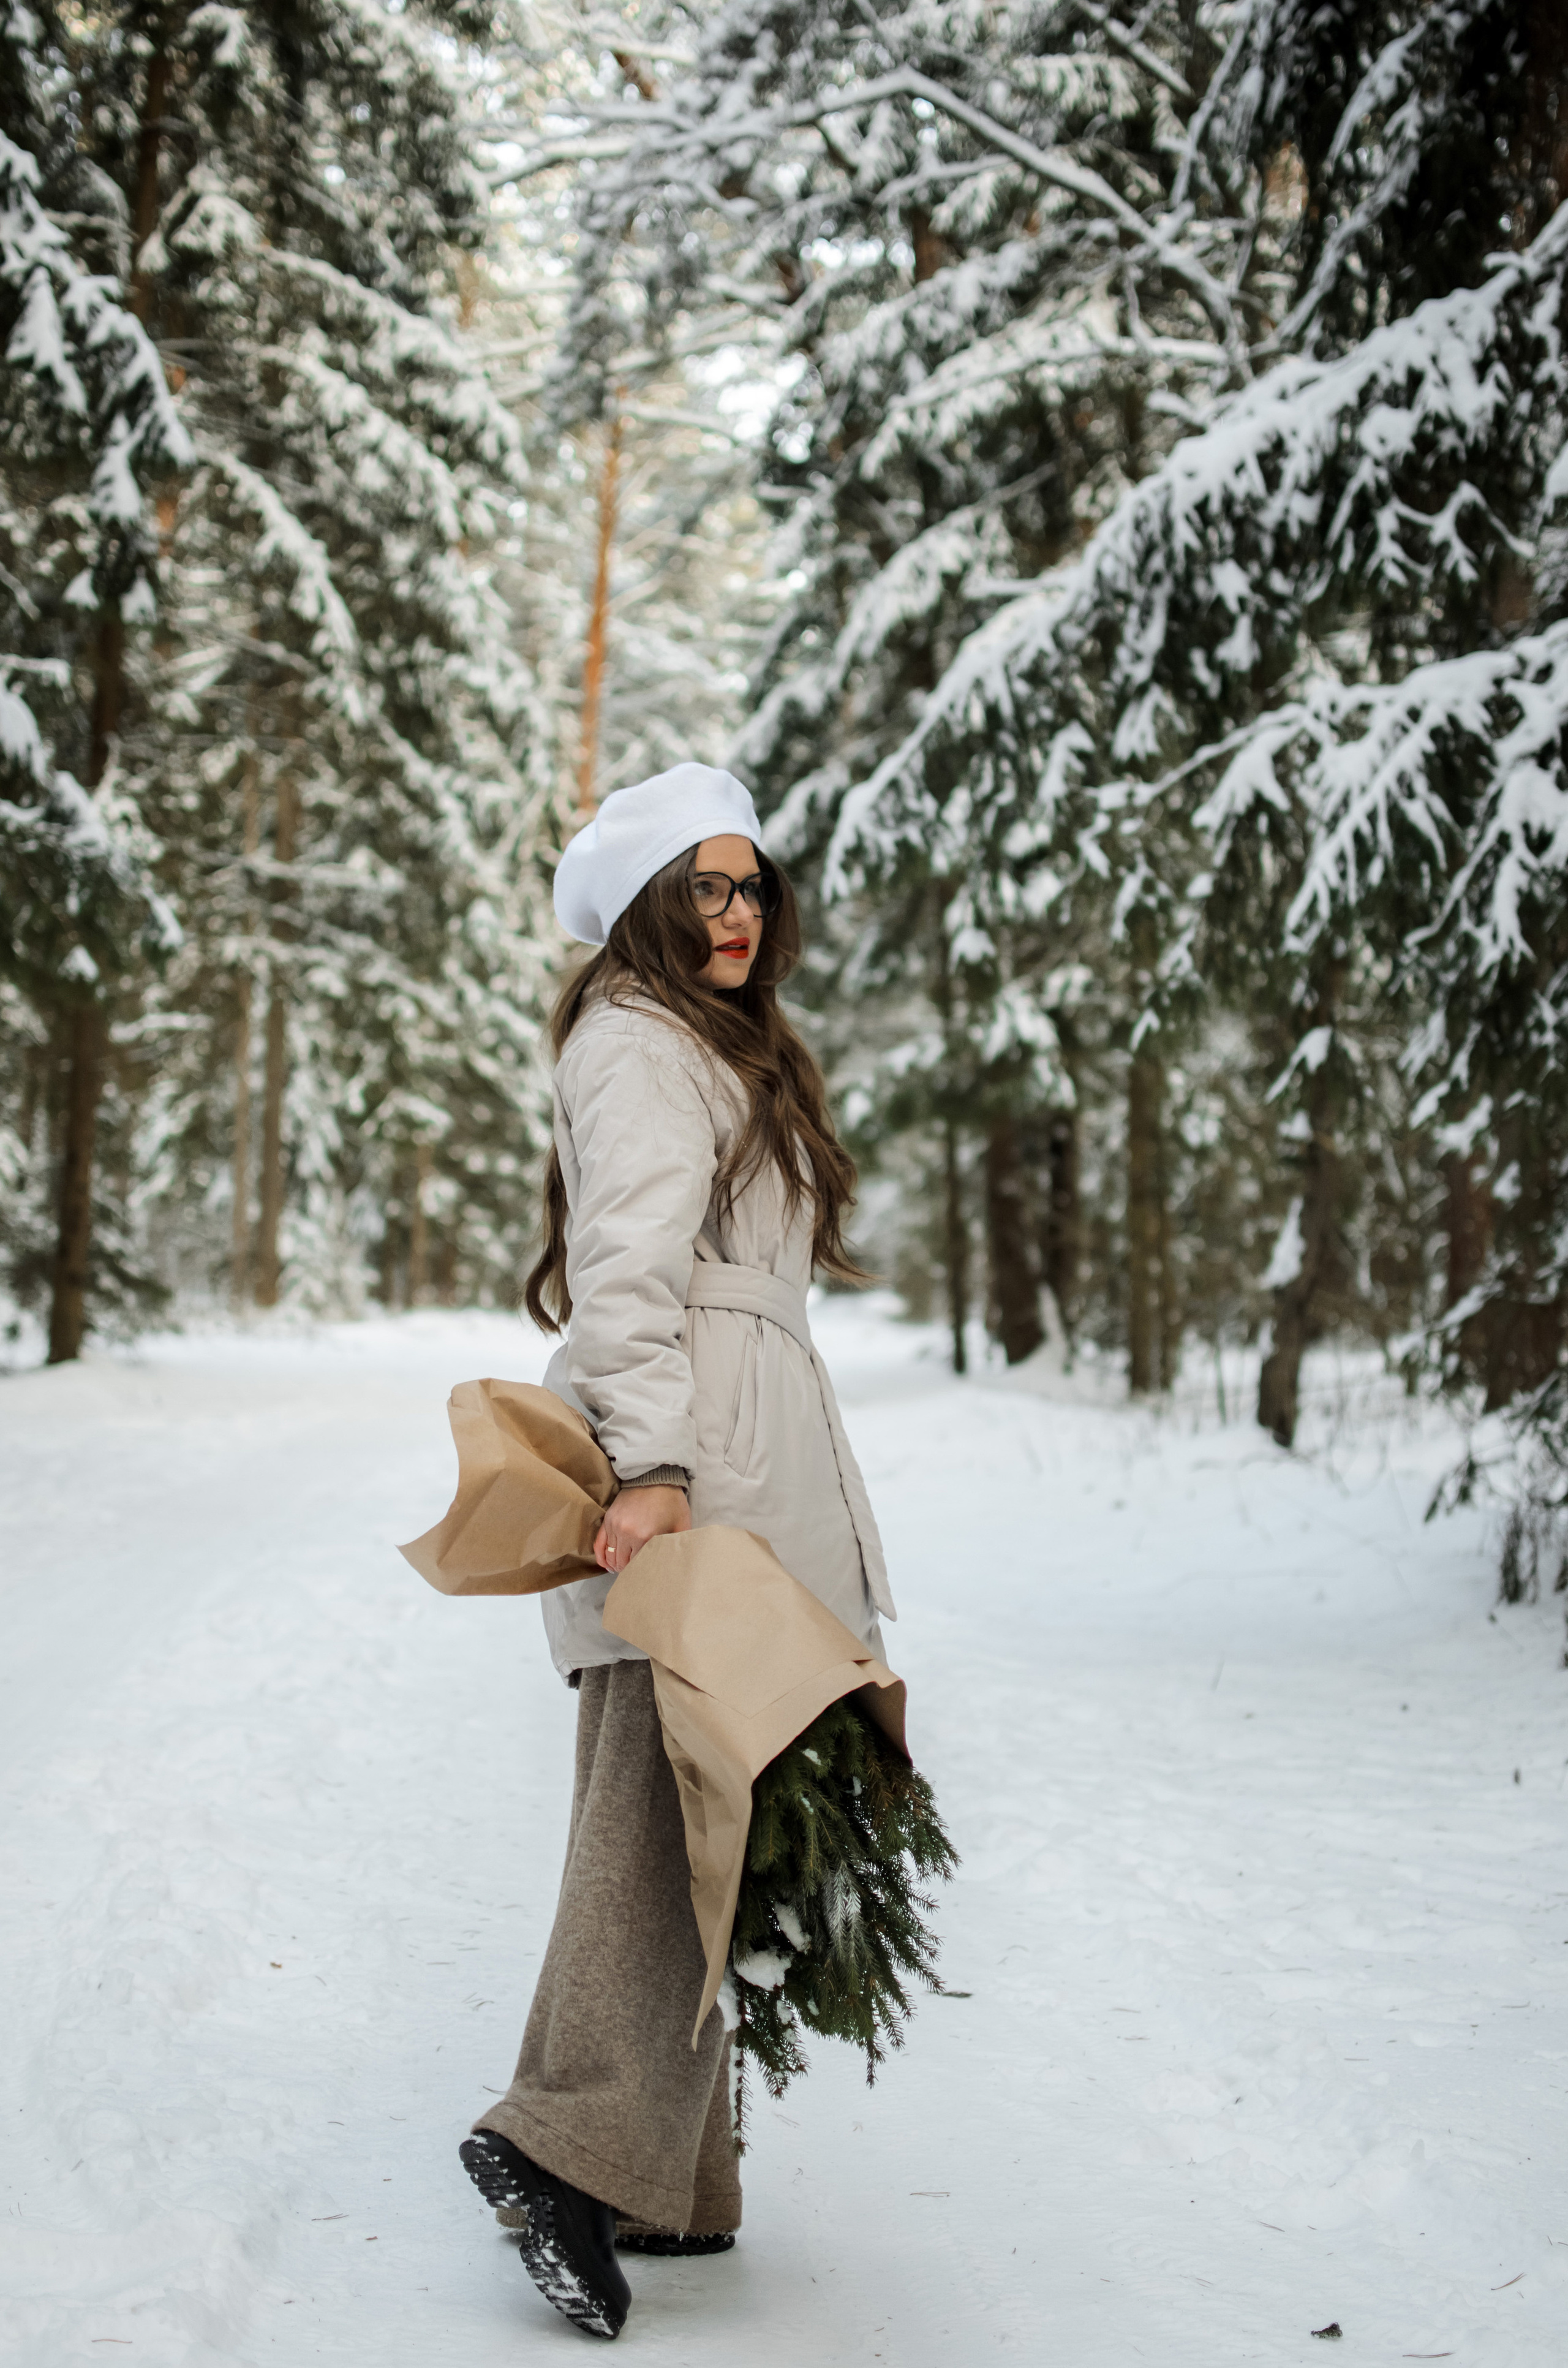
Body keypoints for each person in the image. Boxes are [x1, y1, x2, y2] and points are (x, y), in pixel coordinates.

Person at [458, 763, 895, 2340]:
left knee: (718, 1803)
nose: (736, 913)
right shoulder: (639, 1044)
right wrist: (650, 1470)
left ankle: (663, 2173)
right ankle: (556, 2144)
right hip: (694, 1465)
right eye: (702, 887)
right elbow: (624, 1277)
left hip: (747, 1455)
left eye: (750, 884)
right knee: (661, 1807)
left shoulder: (714, 1044)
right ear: (648, 904)